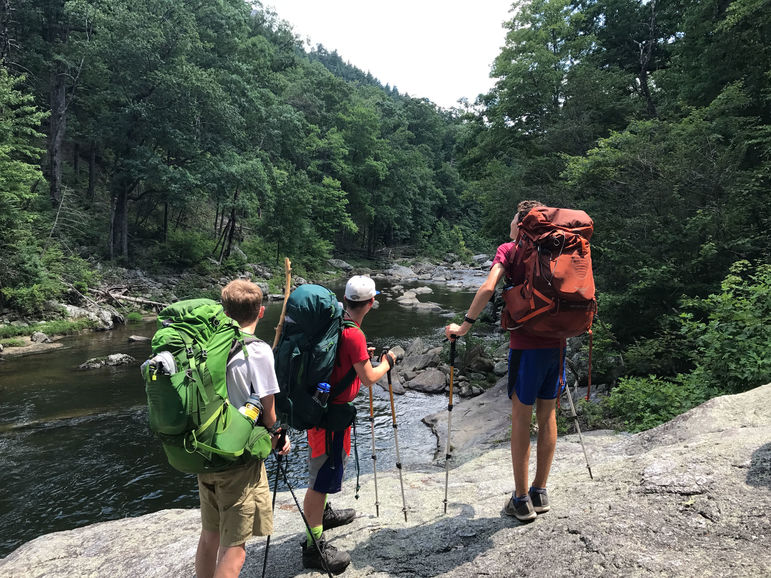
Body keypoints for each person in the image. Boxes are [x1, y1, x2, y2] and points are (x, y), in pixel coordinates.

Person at [445, 200, 563, 523]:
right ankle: (541, 490)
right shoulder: (556, 246)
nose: (511, 225)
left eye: (514, 219)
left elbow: (488, 287)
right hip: (557, 343)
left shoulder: (510, 250)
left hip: (526, 346)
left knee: (521, 416)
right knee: (548, 411)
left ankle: (521, 499)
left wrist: (464, 325)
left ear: (521, 223)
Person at [301, 275, 398, 574]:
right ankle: (312, 547)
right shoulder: (354, 334)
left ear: (346, 300)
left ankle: (324, 514)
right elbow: (368, 379)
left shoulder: (338, 323)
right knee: (320, 478)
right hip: (330, 417)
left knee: (327, 469)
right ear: (370, 303)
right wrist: (387, 362)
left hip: (328, 412)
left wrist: (362, 360)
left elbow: (346, 367)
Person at [195, 279, 291, 578]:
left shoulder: (207, 345)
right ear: (261, 312)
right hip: (237, 459)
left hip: (205, 453)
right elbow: (269, 409)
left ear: (224, 311)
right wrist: (279, 437)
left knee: (210, 536)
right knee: (234, 548)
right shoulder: (259, 351)